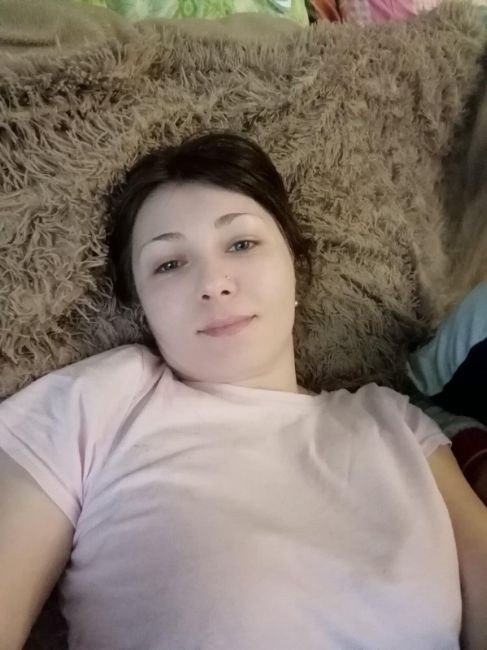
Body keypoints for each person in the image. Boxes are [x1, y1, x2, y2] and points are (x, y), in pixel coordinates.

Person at [0, 132, 486, 650]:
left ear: (295, 264)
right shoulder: (100, 401)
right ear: (142, 305)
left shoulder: (393, 421)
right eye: (169, 263)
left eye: (241, 244)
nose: (214, 282)